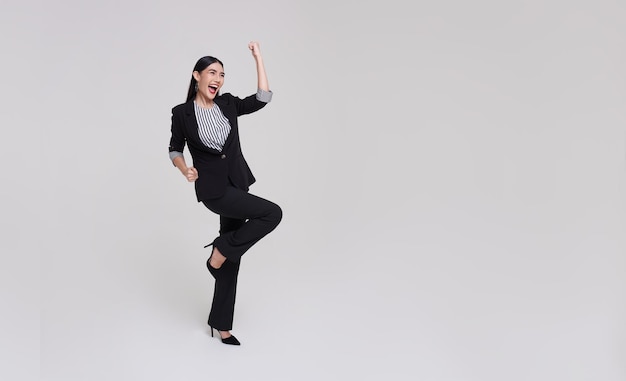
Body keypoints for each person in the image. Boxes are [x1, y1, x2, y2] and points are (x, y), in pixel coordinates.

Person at [168, 41, 282, 346]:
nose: (217, 79)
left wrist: (259, 57)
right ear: (197, 76)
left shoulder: (229, 104)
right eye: (212, 72)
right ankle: (218, 249)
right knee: (273, 213)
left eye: (222, 74)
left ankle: (221, 325)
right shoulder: (182, 113)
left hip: (237, 182)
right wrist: (185, 169)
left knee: (231, 259)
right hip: (213, 190)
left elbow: (263, 98)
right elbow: (174, 149)